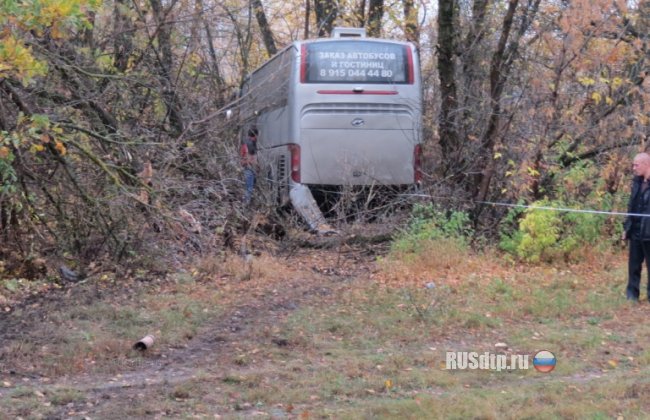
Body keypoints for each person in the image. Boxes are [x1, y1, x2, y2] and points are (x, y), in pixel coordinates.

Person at [623, 152, 650, 302]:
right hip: (636, 231)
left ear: (646, 164)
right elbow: (631, 207)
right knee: (633, 265)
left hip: (649, 232)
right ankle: (632, 295)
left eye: (636, 164)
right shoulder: (636, 182)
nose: (633, 168)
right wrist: (627, 228)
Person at [240, 128, 258, 205]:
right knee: (249, 188)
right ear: (255, 135)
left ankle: (246, 202)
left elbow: (242, 156)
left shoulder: (244, 144)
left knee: (248, 187)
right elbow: (250, 158)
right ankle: (246, 204)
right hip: (249, 168)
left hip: (246, 167)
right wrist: (256, 165)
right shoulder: (250, 144)